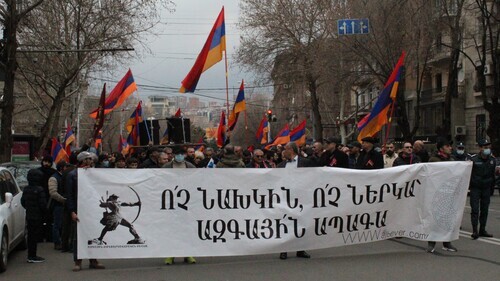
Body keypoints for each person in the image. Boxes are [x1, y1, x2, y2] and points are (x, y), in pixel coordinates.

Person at [66, 151, 105, 271]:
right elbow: (70, 195)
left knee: (94, 234)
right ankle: (78, 261)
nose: (91, 162)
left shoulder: (95, 174)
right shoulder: (73, 175)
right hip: (79, 209)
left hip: (93, 209)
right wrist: (72, 211)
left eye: (92, 159)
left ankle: (93, 260)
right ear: (82, 161)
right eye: (88, 159)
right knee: (79, 236)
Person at [277, 142, 312, 260]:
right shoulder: (281, 165)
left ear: (291, 150)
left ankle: (300, 249)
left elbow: (314, 176)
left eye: (284, 149)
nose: (283, 152)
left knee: (301, 222)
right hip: (285, 198)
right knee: (286, 223)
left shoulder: (305, 163)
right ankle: (284, 249)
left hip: (301, 197)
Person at [163, 146, 196, 264]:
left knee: (187, 228)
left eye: (182, 154)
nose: (179, 156)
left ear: (185, 155)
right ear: (172, 155)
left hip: (187, 203)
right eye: (177, 154)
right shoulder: (166, 167)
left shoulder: (190, 167)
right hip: (171, 202)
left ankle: (188, 253)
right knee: (172, 229)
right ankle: (170, 254)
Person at [427, 138, 457, 253]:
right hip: (436, 193)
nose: (450, 148)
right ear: (441, 149)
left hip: (449, 193)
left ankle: (447, 242)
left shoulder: (453, 160)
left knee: (448, 218)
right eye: (447, 146)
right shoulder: (434, 160)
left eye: (450, 146)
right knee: (434, 218)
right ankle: (431, 243)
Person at [469, 139, 496, 239]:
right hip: (475, 188)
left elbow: (493, 176)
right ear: (480, 148)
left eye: (488, 147)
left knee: (485, 210)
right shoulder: (474, 160)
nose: (487, 149)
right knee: (475, 209)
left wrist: (491, 188)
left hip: (486, 188)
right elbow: (469, 173)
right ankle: (475, 230)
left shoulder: (492, 160)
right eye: (485, 147)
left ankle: (482, 230)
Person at [21, 169, 48, 263]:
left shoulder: (26, 189)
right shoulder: (40, 190)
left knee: (30, 236)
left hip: (29, 215)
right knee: (34, 236)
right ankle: (32, 256)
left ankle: (30, 255)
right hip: (38, 216)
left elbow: (23, 202)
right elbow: (43, 205)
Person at [48, 161, 69, 250]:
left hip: (64, 204)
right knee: (57, 224)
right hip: (58, 205)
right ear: (61, 168)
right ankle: (57, 242)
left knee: (63, 224)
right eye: (65, 167)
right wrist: (63, 200)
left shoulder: (64, 177)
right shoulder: (53, 178)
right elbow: (53, 193)